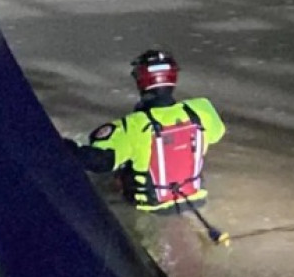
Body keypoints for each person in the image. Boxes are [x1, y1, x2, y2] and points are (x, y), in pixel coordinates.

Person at [66, 49, 228, 244]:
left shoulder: (132, 126)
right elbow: (217, 133)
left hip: (150, 210)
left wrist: (67, 148)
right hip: (194, 201)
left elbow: (100, 162)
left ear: (140, 80)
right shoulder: (201, 110)